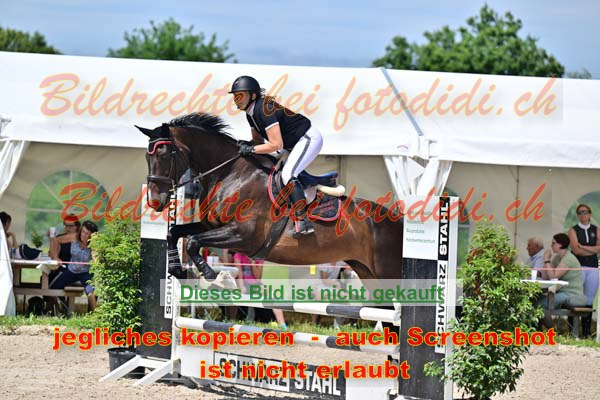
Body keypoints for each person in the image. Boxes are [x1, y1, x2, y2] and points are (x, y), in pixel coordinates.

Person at [229, 75, 323, 237]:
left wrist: (251, 150)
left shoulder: (264, 109)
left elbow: (276, 144)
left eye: (241, 95)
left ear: (253, 95)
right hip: (291, 144)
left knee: (287, 175)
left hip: (307, 138)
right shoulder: (250, 114)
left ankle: (303, 221)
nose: (237, 99)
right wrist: (246, 145)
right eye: (236, 96)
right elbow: (258, 141)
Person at [538, 233, 588, 328]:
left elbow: (553, 276)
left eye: (553, 243)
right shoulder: (557, 258)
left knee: (541, 305)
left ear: (560, 245)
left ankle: (551, 331)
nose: (551, 246)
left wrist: (547, 260)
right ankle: (540, 330)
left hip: (571, 293)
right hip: (561, 292)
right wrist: (546, 261)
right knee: (537, 301)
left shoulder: (568, 259)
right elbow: (546, 277)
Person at [49, 221, 99, 311]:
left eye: (87, 233)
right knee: (52, 289)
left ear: (91, 235)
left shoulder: (94, 244)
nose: (83, 235)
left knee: (90, 290)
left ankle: (95, 314)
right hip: (71, 271)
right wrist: (56, 257)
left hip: (86, 272)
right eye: (83, 232)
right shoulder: (75, 237)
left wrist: (95, 256)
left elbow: (96, 259)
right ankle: (61, 309)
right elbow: (56, 240)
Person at [231, 251, 287, 329]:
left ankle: (282, 324)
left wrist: (252, 262)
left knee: (273, 294)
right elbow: (239, 274)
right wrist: (241, 287)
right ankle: (235, 320)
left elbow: (258, 277)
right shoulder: (238, 255)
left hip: (256, 284)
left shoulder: (260, 258)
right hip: (244, 283)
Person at [567, 204, 599, 337]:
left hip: (593, 267)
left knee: (589, 299)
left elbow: (599, 248)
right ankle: (572, 330)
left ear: (590, 214)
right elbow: (576, 250)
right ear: (577, 215)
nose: (583, 214)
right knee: (575, 296)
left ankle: (586, 331)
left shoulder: (596, 229)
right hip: (578, 266)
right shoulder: (573, 230)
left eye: (585, 212)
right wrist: (591, 250)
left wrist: (584, 247)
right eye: (580, 212)